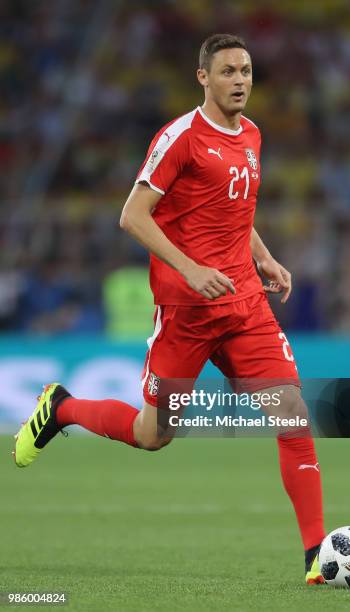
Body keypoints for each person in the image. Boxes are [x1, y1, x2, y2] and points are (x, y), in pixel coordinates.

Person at [14, 33, 325, 584]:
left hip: (246, 307)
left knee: (293, 415)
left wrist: (266, 258)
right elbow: (132, 216)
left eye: (247, 71)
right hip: (186, 311)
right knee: (152, 435)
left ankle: (316, 555)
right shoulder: (179, 138)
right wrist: (190, 269)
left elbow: (233, 211)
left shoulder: (252, 135)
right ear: (203, 77)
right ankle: (60, 408)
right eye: (228, 71)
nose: (240, 81)